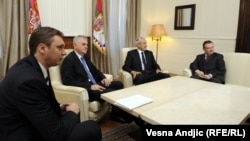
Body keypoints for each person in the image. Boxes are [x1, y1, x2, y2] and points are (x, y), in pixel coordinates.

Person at [0, 27, 102, 141]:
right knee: (91, 128)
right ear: (42, 48)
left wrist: (59, 107)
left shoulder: (32, 66)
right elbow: (56, 135)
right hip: (22, 134)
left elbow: (37, 102)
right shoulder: (29, 81)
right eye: (60, 47)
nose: (64, 52)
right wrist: (72, 112)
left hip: (32, 123)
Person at [60, 35, 129, 123]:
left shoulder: (85, 57)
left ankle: (115, 113)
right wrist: (90, 86)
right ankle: (118, 115)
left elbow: (96, 71)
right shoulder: (69, 60)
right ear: (75, 45)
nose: (86, 46)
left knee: (119, 84)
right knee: (111, 92)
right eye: (83, 44)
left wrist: (103, 78)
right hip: (86, 89)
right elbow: (68, 81)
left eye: (87, 45)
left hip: (96, 84)